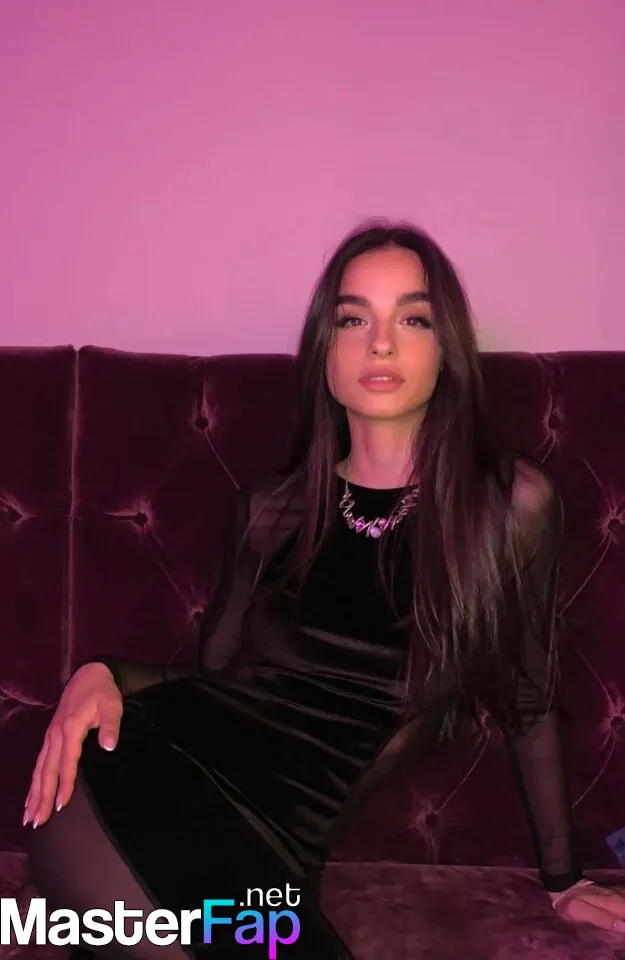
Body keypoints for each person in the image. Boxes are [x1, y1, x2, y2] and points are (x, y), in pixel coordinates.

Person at [26, 221, 625, 958]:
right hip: (134, 780)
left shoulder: (508, 507)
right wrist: (104, 673)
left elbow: (530, 701)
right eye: (353, 320)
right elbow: (216, 682)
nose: (381, 344)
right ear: (326, 352)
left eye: (412, 319)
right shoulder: (270, 510)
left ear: (446, 350)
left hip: (271, 852)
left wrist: (563, 880)